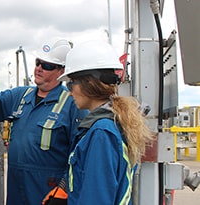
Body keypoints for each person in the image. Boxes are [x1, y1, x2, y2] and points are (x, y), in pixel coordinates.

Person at [0, 39, 88, 205]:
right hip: (17, 189)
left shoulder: (73, 104)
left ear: (62, 71)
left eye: (47, 65)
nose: (39, 68)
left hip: (49, 192)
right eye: (38, 62)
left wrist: (64, 188)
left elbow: (82, 155)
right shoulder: (21, 96)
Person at [57, 40, 155, 205]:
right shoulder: (113, 123)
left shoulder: (102, 132)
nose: (69, 91)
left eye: (71, 83)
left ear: (89, 83)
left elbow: (96, 199)